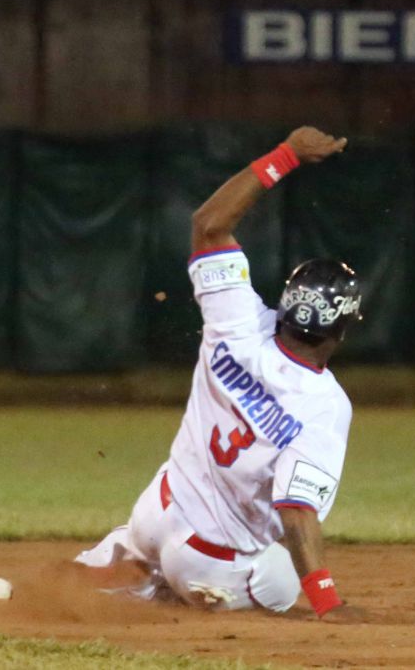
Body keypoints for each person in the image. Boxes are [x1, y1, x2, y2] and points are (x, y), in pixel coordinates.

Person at [75, 126, 369, 623]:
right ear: (341, 329)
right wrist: (326, 601)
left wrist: (286, 155)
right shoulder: (326, 404)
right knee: (280, 578)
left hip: (156, 511)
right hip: (208, 563)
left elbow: (209, 224)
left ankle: (116, 567)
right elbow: (296, 508)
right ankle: (164, 589)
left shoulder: (237, 318)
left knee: (140, 543)